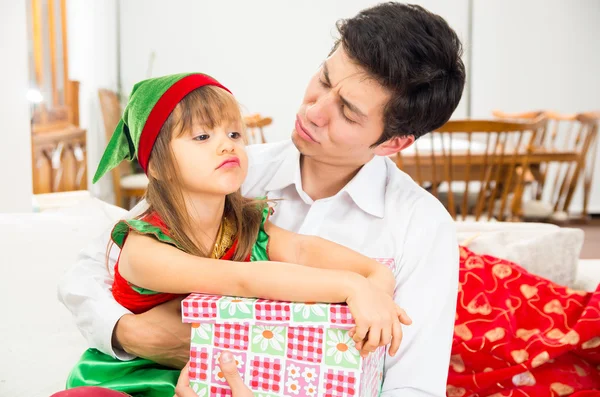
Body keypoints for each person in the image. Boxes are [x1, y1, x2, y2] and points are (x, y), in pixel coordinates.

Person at [58, 2, 466, 396]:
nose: (313, 111)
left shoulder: (420, 226)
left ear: (394, 142)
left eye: (348, 112)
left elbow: (411, 385)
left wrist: (374, 282)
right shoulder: (223, 173)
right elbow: (93, 269)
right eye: (324, 79)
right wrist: (129, 333)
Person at [65, 73, 410, 396]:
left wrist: (376, 278)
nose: (226, 146)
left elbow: (303, 250)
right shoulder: (144, 249)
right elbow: (242, 279)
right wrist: (351, 286)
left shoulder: (244, 225)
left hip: (212, 376)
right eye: (202, 137)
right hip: (132, 382)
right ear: (156, 166)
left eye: (233, 134)